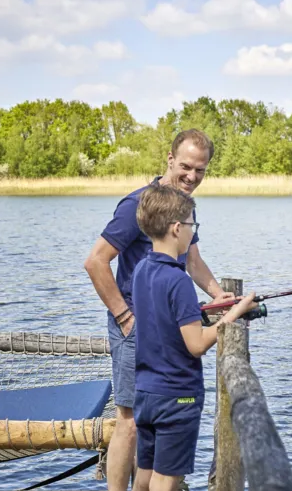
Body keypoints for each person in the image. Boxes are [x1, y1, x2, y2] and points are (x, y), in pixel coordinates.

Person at [83, 129, 234, 491]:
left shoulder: (182, 208)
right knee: (130, 421)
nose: (192, 176)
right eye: (186, 167)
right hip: (135, 326)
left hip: (168, 327)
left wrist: (220, 296)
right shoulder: (137, 205)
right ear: (169, 159)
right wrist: (125, 318)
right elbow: (96, 261)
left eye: (200, 170)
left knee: (156, 419)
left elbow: (192, 261)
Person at [131, 184, 256, 491]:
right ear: (177, 228)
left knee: (145, 473)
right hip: (177, 396)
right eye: (192, 225)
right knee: (165, 479)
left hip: (146, 392)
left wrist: (206, 309)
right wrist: (235, 313)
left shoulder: (141, 270)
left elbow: (163, 318)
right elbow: (196, 345)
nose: (192, 231)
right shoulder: (179, 280)